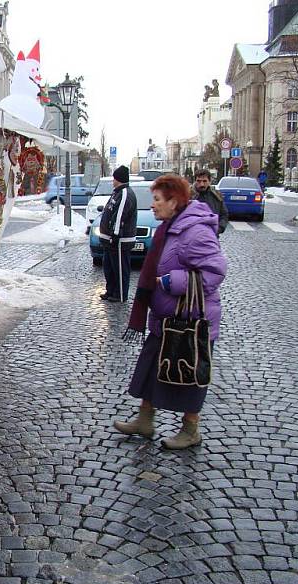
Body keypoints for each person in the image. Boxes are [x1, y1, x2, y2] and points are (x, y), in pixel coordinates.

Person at [114, 174, 227, 449]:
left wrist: (169, 282)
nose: (152, 205)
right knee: (152, 367)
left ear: (174, 201)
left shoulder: (196, 231)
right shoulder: (170, 226)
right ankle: (144, 420)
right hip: (166, 319)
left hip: (190, 322)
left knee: (189, 375)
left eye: (156, 200)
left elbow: (215, 271)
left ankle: (190, 431)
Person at [98, 165, 137, 302]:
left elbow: (119, 216)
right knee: (109, 267)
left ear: (119, 179)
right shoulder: (117, 192)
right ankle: (111, 291)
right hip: (110, 240)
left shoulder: (125, 193)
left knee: (120, 268)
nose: (112, 181)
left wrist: (115, 235)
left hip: (120, 240)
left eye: (114, 178)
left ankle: (120, 294)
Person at [192, 169, 229, 235]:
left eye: (204, 181)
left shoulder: (216, 195)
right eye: (198, 181)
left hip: (212, 235)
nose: (202, 184)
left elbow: (224, 214)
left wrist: (219, 228)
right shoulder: (188, 195)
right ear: (195, 181)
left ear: (209, 181)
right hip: (192, 236)